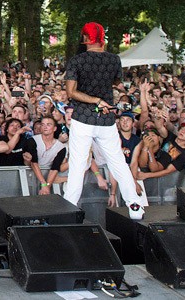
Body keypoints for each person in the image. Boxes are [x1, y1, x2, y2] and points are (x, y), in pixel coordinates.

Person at [63, 22, 144, 220]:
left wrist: (95, 100)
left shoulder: (77, 61)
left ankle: (68, 209)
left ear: (84, 39)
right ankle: (134, 205)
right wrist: (122, 89)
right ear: (102, 39)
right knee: (118, 162)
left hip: (83, 118)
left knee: (78, 165)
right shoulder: (114, 59)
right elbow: (115, 81)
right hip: (106, 118)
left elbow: (71, 92)